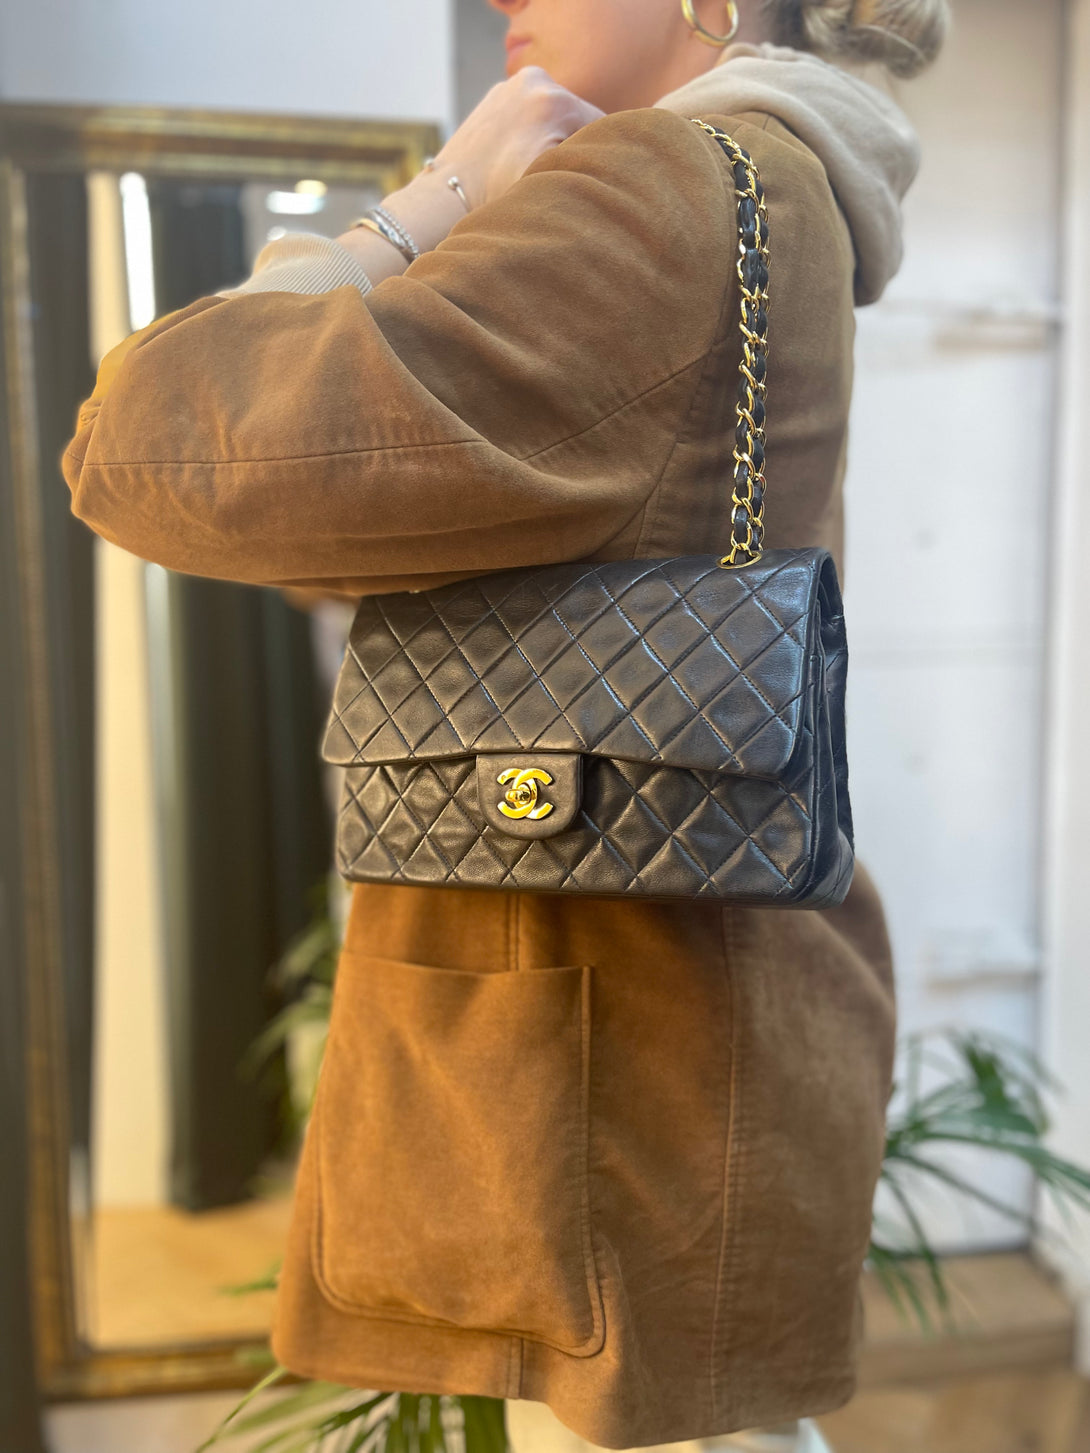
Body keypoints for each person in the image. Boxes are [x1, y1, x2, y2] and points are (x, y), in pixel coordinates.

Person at [62, 1, 948, 1445]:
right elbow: (367, 526)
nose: (499, 2)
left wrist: (435, 198)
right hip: (647, 1064)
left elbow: (148, 441)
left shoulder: (668, 185)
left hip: (607, 1104)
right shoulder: (765, 184)